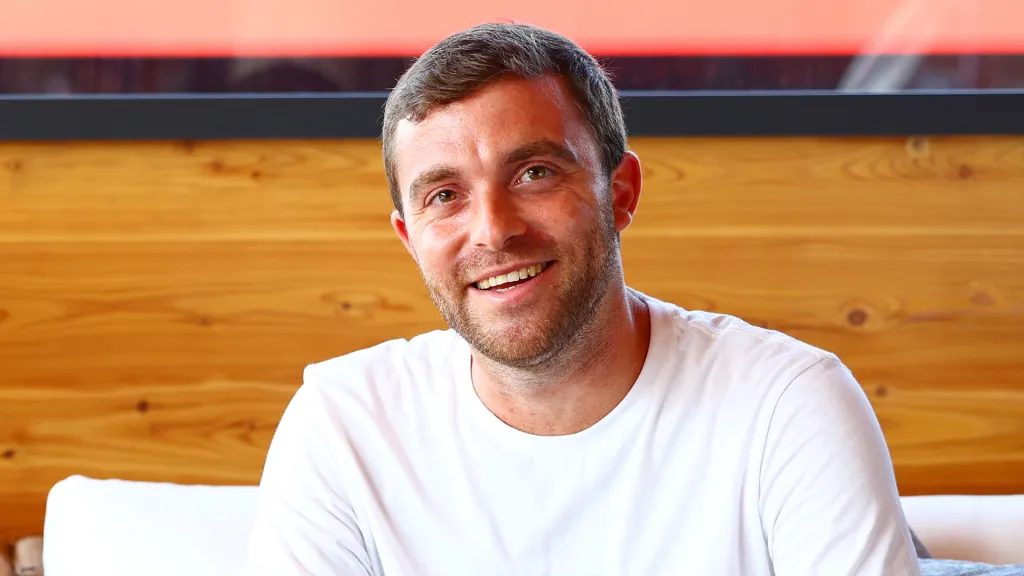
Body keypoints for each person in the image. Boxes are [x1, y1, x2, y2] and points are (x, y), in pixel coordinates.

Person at [242, 22, 921, 576]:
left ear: (619, 193)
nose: (494, 231)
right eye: (444, 196)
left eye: (535, 173)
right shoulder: (343, 425)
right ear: (409, 237)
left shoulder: (785, 404)